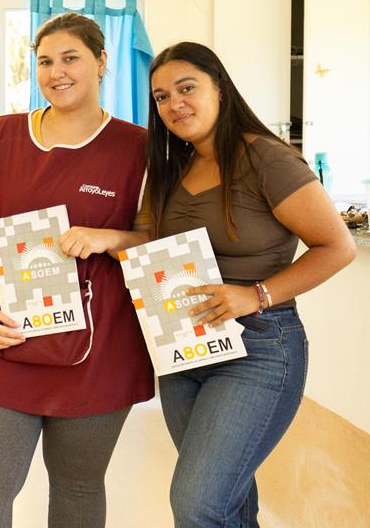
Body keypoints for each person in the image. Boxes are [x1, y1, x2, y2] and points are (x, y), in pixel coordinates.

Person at [0, 12, 153, 527]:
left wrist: (110, 238)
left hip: (98, 350)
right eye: (44, 61)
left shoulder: (139, 149)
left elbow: (154, 240)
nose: (56, 72)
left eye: (70, 59)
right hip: (2, 338)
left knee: (78, 489)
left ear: (101, 62)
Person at [146, 41, 355, 527]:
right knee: (230, 504)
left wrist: (255, 295)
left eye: (187, 88)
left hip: (258, 348)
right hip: (186, 348)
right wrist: (96, 237)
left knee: (197, 503)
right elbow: (147, 241)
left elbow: (338, 246)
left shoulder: (266, 158)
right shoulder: (173, 166)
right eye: (161, 97)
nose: (174, 104)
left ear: (220, 87)